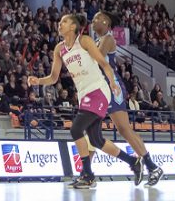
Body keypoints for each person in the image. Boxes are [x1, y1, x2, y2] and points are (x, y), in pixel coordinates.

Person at [28, 14, 142, 189]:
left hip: (98, 90)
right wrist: (38, 80)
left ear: (73, 27)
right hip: (84, 95)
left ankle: (88, 175)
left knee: (76, 129)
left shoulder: (85, 41)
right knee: (96, 140)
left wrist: (112, 82)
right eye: (59, 22)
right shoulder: (59, 49)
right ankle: (134, 162)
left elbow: (104, 64)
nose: (60, 24)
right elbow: (53, 77)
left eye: (64, 22)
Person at [89, 11, 162, 186]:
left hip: (112, 86)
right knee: (90, 131)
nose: (94, 20)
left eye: (97, 18)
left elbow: (96, 60)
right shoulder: (97, 41)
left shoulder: (108, 39)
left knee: (124, 129)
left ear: (106, 23)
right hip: (99, 89)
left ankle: (152, 167)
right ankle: (87, 173)